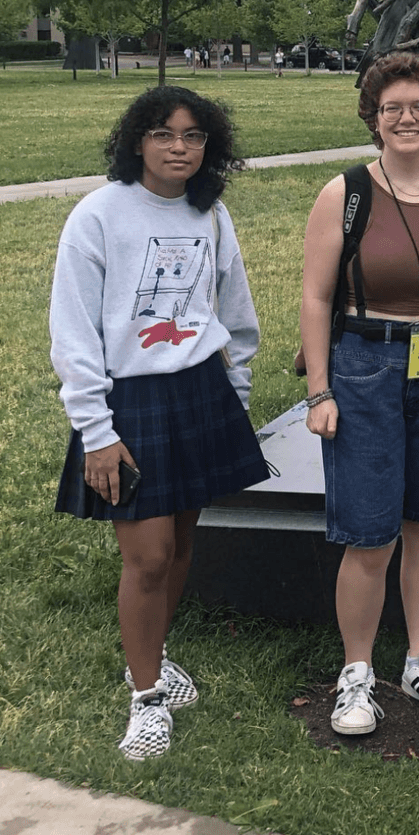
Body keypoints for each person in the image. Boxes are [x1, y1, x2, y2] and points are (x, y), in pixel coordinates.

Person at [50, 86, 268, 761]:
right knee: (145, 557)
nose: (180, 147)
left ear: (211, 147)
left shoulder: (210, 212)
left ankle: (154, 655)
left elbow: (230, 307)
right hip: (131, 403)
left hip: (200, 393)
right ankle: (145, 699)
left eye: (194, 136)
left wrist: (237, 386)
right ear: (136, 140)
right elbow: (74, 329)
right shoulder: (99, 215)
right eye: (164, 133)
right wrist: (97, 429)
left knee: (178, 544)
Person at [300, 53, 419, 736]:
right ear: (374, 119)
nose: (407, 118)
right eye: (392, 108)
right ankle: (356, 673)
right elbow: (317, 298)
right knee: (370, 534)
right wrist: (320, 391)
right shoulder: (344, 194)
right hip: (364, 364)